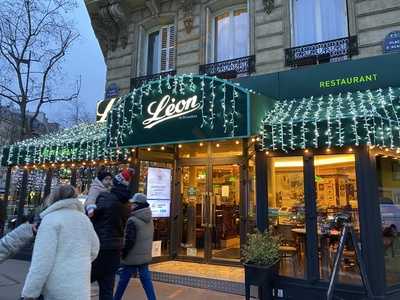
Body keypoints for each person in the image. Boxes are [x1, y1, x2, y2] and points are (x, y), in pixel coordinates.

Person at [21, 184, 100, 300]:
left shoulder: (51, 220)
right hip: (80, 288)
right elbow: (94, 249)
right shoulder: (84, 220)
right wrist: (79, 261)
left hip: (57, 288)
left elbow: (42, 261)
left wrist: (29, 292)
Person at [91, 169, 133, 300]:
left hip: (100, 248)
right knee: (107, 289)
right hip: (115, 249)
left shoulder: (105, 198)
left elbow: (92, 216)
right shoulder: (127, 204)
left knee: (81, 282)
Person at [114, 193, 156, 300]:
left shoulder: (132, 220)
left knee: (123, 281)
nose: (131, 205)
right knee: (146, 281)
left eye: (133, 204)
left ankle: (116, 298)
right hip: (144, 256)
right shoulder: (149, 218)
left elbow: (129, 241)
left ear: (137, 205)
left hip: (132, 257)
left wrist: (123, 254)